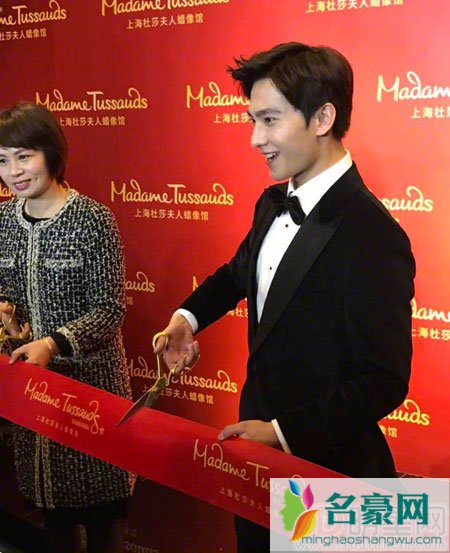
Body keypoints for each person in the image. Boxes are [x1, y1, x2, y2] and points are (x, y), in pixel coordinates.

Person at [154, 43, 415, 552]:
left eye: (270, 120)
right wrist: (188, 317)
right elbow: (237, 274)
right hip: (255, 462)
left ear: (322, 118)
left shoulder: (372, 234)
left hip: (326, 474)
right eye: (253, 121)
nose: (256, 139)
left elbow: (383, 380)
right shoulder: (272, 202)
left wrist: (280, 432)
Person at [0, 102, 134, 553]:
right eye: (2, 160)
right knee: (53, 521)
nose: (14, 171)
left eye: (24, 156)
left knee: (104, 522)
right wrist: (8, 322)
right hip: (34, 403)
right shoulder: (3, 222)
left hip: (92, 396)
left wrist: (53, 344)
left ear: (51, 153)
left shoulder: (93, 219)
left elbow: (109, 310)